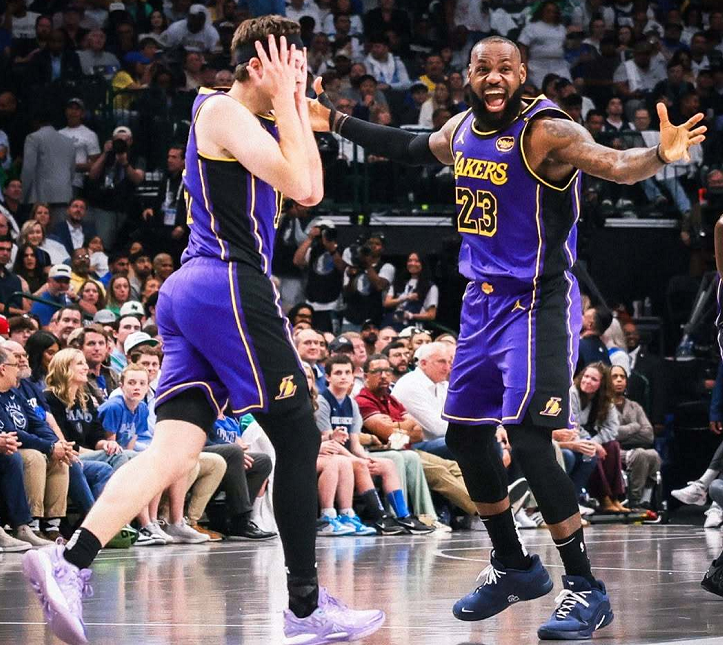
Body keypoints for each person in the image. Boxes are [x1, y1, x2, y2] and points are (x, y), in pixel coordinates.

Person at [307, 33, 706, 638]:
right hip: (480, 304)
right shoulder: (462, 129)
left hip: (536, 302)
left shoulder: (547, 131)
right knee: (467, 437)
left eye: (505, 68)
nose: (493, 77)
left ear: (522, 74)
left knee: (528, 438)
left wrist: (659, 155)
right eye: (482, 68)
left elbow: (615, 164)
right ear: (468, 75)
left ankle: (586, 588)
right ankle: (514, 564)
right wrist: (333, 120)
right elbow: (410, 147)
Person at [23, 17, 384, 645]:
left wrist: (305, 112)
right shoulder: (220, 110)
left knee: (174, 450)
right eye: (293, 67)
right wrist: (293, 105)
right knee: (299, 436)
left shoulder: (258, 122)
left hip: (198, 290)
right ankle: (305, 608)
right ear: (260, 65)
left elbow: (315, 181)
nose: (302, 79)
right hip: (228, 284)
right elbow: (305, 186)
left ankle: (69, 560)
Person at [610, 364, 661, 510]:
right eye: (614, 377)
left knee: (653, 454)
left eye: (622, 377)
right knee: (639, 454)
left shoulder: (635, 406)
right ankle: (634, 500)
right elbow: (611, 434)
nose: (619, 380)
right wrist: (634, 426)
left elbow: (648, 435)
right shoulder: (603, 406)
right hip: (613, 450)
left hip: (637, 449)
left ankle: (646, 499)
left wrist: (623, 433)